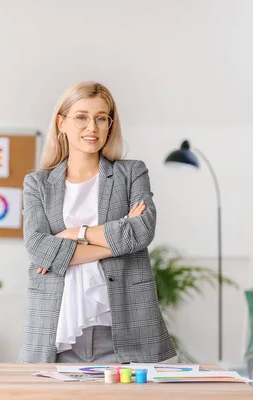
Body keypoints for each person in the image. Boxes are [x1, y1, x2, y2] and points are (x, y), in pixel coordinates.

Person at [17, 81, 176, 364]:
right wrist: (116, 243)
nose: (92, 127)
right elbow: (39, 249)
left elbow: (142, 230)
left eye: (101, 118)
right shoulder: (38, 184)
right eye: (81, 117)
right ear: (61, 123)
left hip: (123, 330)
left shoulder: (131, 173)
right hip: (55, 333)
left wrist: (74, 233)